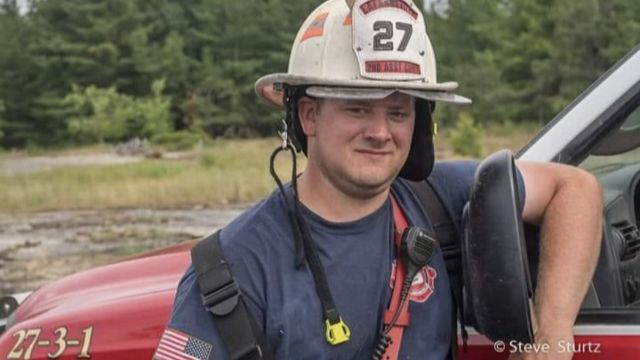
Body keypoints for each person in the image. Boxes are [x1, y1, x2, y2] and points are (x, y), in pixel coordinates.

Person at [154, 0, 603, 359]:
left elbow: (575, 189)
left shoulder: (439, 199)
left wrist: (553, 335)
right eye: (357, 107)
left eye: (398, 112)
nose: (380, 131)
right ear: (308, 115)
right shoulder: (230, 271)